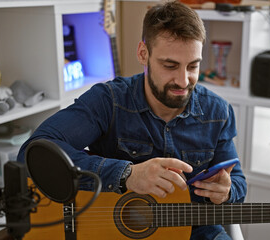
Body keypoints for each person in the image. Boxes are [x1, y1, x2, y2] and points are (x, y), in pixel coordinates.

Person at [17, 1, 247, 239]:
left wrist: (227, 190)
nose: (183, 80)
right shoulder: (108, 101)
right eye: (170, 65)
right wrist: (126, 174)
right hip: (118, 232)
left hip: (196, 230)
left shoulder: (219, 112)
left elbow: (238, 182)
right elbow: (32, 152)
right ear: (143, 54)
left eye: (193, 66)